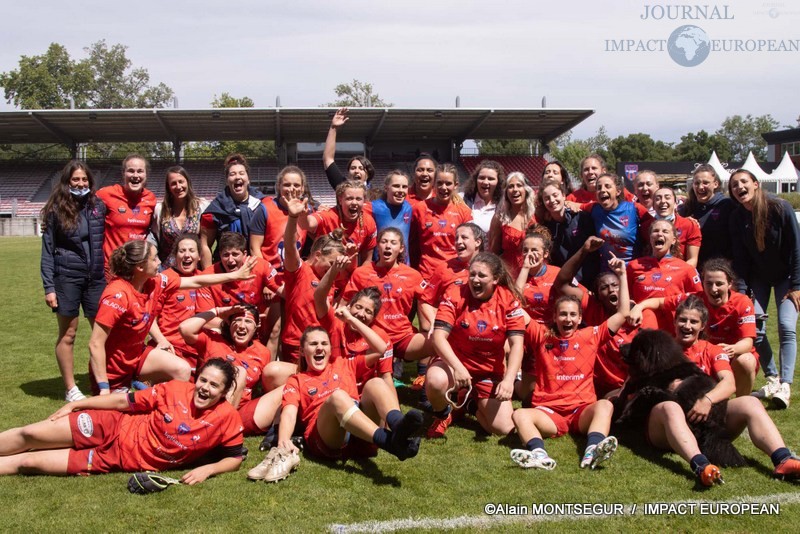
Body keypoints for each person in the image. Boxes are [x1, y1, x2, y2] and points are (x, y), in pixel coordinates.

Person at [624, 312, 800, 486]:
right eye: (683, 320)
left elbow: (729, 384)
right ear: (674, 321)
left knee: (751, 402)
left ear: (702, 326)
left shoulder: (712, 349)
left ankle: (782, 459)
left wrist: (707, 400)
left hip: (705, 421)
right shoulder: (656, 349)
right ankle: (702, 466)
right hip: (666, 427)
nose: (687, 326)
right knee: (670, 407)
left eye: (693, 321)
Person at [0, 358, 244, 481]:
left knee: (29, 461)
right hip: (110, 426)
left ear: (223, 393)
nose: (204, 388)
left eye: (214, 385)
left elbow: (234, 457)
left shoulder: (227, 418)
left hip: (113, 459)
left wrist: (208, 470)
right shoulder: (174, 389)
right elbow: (122, 402)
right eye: (203, 380)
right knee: (30, 434)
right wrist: (77, 403)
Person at [246, 327, 423, 481]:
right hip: (326, 437)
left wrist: (353, 320)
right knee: (338, 397)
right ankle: (390, 442)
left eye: (324, 344)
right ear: (302, 351)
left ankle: (398, 426)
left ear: (331, 349)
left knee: (375, 383)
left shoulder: (344, 364)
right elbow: (289, 412)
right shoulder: (297, 380)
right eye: (313, 344)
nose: (319, 348)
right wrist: (283, 441)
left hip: (360, 434)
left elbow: (380, 348)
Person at [88, 239, 256, 395]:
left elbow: (196, 281)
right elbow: (95, 343)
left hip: (137, 357)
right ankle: (136, 389)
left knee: (181, 369)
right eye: (154, 259)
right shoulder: (117, 294)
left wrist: (234, 276)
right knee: (116, 421)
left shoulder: (154, 282)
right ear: (140, 267)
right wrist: (103, 387)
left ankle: (163, 407)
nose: (160, 263)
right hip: (112, 371)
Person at [509, 258, 629, 471]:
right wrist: (526, 269)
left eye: (573, 314)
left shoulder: (590, 335)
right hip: (549, 412)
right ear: (554, 317)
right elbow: (514, 306)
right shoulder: (542, 335)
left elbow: (622, 313)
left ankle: (593, 450)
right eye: (563, 314)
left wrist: (622, 275)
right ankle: (539, 455)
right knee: (519, 414)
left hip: (581, 411)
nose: (568, 319)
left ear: (580, 317)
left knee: (605, 405)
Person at [425, 252, 526, 438]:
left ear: (496, 278)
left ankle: (467, 403)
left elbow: (517, 345)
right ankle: (443, 413)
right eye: (472, 274)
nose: (475, 279)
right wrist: (458, 367)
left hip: (488, 371)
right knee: (435, 380)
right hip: (454, 365)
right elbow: (438, 337)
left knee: (503, 429)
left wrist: (509, 380)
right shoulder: (455, 292)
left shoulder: (509, 300)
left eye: (481, 276)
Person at [629, 258, 759, 398]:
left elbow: (747, 342)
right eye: (708, 283)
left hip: (731, 356)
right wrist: (639, 307)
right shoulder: (695, 299)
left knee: (746, 360)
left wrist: (730, 349)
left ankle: (741, 402)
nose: (713, 289)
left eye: (719, 284)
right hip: (704, 355)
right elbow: (660, 301)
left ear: (729, 284)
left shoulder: (742, 302)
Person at [729, 169, 800, 408]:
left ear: (756, 184)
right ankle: (772, 378)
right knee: (754, 329)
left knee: (786, 326)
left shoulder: (780, 208)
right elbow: (740, 259)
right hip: (758, 278)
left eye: (743, 182)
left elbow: (797, 248)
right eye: (734, 185)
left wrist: (798, 286)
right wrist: (742, 290)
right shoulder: (737, 218)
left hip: (788, 278)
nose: (739, 187)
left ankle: (785, 385)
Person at [554, 236, 659, 399]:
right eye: (604, 287)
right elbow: (562, 284)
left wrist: (624, 391)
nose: (611, 290)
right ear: (597, 296)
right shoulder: (594, 309)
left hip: (635, 385)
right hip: (601, 387)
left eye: (615, 285)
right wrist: (584, 251)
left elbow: (649, 360)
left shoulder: (644, 315)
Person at [40, 160, 107, 402]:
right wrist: (49, 287)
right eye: (75, 180)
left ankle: (103, 382)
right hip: (66, 278)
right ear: (67, 182)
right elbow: (47, 250)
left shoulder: (98, 206)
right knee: (68, 334)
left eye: (84, 179)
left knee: (102, 332)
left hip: (96, 278)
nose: (80, 183)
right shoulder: (56, 209)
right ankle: (71, 389)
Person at [341, 227, 432, 394]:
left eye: (393, 242)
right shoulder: (362, 273)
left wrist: (435, 325)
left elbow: (426, 302)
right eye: (384, 242)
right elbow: (344, 304)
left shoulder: (413, 275)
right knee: (375, 381)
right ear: (378, 246)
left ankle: (430, 387)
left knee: (441, 341)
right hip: (372, 339)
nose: (388, 246)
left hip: (403, 338)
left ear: (401, 248)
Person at [249, 165, 313, 358]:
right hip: (272, 278)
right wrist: (266, 282)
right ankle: (266, 377)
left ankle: (289, 373)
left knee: (295, 330)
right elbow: (254, 248)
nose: (291, 189)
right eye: (286, 184)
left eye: (296, 185)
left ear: (302, 188)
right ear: (278, 186)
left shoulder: (307, 210)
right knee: (274, 329)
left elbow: (315, 246)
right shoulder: (265, 209)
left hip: (295, 277)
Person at [180, 304, 271, 435]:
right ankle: (217, 428)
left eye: (248, 321)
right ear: (228, 323)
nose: (241, 326)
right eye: (237, 320)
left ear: (257, 326)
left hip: (240, 412)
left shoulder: (263, 352)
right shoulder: (213, 340)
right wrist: (217, 311)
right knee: (239, 372)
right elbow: (185, 328)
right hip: (206, 403)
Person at [281, 190, 347, 362]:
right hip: (297, 344)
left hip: (321, 345)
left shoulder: (329, 279)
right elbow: (289, 246)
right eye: (331, 263)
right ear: (317, 256)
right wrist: (293, 218)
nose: (335, 270)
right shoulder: (300, 271)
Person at [147, 234, 214, 370]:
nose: (187, 255)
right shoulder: (165, 279)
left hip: (198, 348)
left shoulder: (205, 279)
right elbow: (148, 316)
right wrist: (162, 341)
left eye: (191, 250)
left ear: (199, 256)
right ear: (175, 256)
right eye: (182, 251)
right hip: (172, 347)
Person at [626, 219, 702, 330]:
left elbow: (698, 298)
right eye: (655, 231)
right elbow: (626, 298)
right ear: (650, 238)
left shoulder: (686, 269)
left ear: (673, 240)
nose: (660, 234)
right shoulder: (634, 266)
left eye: (665, 231)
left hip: (673, 330)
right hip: (642, 327)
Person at [410, 163, 472, 282]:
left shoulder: (464, 212)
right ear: (434, 184)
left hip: (454, 275)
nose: (443, 187)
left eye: (448, 183)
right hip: (427, 274)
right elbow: (412, 245)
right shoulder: (419, 209)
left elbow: (470, 248)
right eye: (439, 183)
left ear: (455, 185)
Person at [200, 154, 264, 268]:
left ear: (248, 179)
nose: (237, 177)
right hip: (226, 269)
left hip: (257, 266)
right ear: (227, 181)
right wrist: (209, 278)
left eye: (241, 173)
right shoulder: (215, 210)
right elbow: (205, 245)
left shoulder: (263, 204)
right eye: (232, 174)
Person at [96, 154, 157, 275]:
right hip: (112, 268)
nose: (135, 175)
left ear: (146, 175)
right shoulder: (106, 194)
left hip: (139, 268)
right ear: (123, 173)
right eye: (131, 171)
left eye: (140, 171)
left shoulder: (151, 198)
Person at [534, 178, 597, 284]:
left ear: (563, 195)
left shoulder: (581, 218)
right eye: (547, 198)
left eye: (555, 195)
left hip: (590, 279)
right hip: (565, 282)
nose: (552, 200)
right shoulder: (546, 229)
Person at [301, 179, 377, 266]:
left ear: (364, 201)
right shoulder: (328, 215)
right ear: (340, 200)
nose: (354, 202)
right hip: (321, 274)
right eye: (349, 198)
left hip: (348, 274)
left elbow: (367, 261)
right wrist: (302, 216)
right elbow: (307, 224)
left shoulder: (368, 222)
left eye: (358, 199)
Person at [587, 172, 652, 266]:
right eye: (599, 188)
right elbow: (575, 206)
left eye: (607, 186)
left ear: (618, 191)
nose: (602, 190)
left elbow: (655, 227)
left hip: (633, 268)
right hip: (607, 270)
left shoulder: (634, 209)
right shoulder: (594, 209)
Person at [152, 166, 209, 270]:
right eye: (173, 183)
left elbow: (206, 243)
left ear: (187, 182)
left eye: (181, 181)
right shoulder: (160, 210)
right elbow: (155, 240)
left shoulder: (202, 206)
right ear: (168, 187)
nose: (178, 186)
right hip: (167, 270)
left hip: (194, 269)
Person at [678, 164, 734, 267]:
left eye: (705, 183)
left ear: (715, 184)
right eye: (697, 183)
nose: (700, 187)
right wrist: (685, 223)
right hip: (695, 268)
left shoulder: (727, 205)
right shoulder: (686, 209)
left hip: (720, 269)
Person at [489, 172, 536, 278]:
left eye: (519, 185)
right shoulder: (500, 218)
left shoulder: (536, 214)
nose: (515, 190)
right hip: (509, 273)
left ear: (526, 190)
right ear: (506, 192)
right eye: (510, 186)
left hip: (533, 271)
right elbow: (493, 252)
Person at [642, 186, 701, 267]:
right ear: (653, 205)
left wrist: (674, 274)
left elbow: (692, 260)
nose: (663, 201)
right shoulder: (645, 227)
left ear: (675, 203)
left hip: (681, 273)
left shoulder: (689, 225)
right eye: (658, 198)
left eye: (667, 197)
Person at [365, 170, 413, 263]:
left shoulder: (409, 207)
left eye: (404, 187)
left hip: (403, 268)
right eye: (396, 186)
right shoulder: (373, 207)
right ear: (386, 188)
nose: (400, 190)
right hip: (379, 266)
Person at [322, 108, 375, 188]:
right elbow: (328, 159)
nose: (356, 171)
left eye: (361, 168)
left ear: (368, 174)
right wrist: (333, 127)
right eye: (353, 168)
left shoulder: (376, 195)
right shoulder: (342, 187)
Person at [461, 160, 506, 233]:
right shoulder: (462, 199)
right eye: (481, 178)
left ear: (498, 182)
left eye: (491, 179)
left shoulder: (504, 205)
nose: (485, 182)